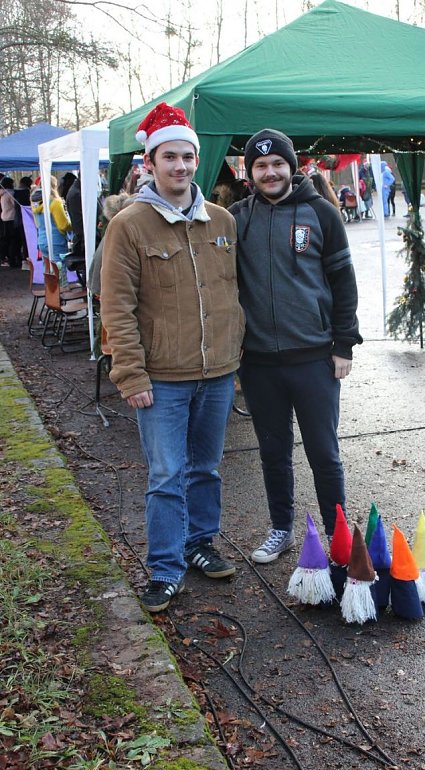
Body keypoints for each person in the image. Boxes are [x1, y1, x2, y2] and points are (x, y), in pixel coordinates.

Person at [100, 102, 245, 612]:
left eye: (188, 156)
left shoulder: (221, 221)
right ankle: (165, 567)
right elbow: (116, 306)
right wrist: (130, 373)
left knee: (206, 468)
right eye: (170, 157)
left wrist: (236, 352)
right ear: (150, 162)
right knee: (166, 474)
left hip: (218, 373)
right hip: (161, 380)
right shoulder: (131, 226)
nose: (180, 166)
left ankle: (200, 544)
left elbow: (233, 292)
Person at [229, 129, 362, 563]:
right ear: (249, 173)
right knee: (273, 452)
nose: (270, 172)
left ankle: (337, 536)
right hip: (260, 363)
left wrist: (344, 344)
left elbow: (344, 283)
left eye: (277, 164)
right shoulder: (236, 219)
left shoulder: (321, 214)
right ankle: (281, 529)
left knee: (325, 453)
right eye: (260, 166)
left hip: (315, 359)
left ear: (292, 166)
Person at [30, 176, 71, 262]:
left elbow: (37, 223)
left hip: (42, 240)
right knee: (60, 271)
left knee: (48, 271)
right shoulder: (55, 203)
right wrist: (72, 224)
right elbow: (63, 226)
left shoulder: (35, 203)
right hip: (56, 242)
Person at [0, 177, 22, 268]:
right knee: (14, 240)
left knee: (7, 240)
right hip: (12, 218)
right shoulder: (11, 193)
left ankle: (8, 258)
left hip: (4, 218)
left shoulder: (2, 194)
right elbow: (16, 205)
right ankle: (13, 260)